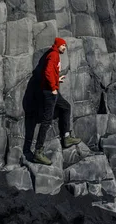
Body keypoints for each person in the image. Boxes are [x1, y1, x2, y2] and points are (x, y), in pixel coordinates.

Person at [34, 37, 81, 165]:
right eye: (63, 45)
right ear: (58, 45)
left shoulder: (54, 55)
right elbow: (48, 72)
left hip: (51, 90)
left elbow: (51, 72)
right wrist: (54, 87)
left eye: (65, 46)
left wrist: (57, 79)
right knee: (46, 120)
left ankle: (66, 137)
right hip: (50, 92)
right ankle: (38, 151)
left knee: (66, 107)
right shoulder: (53, 55)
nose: (64, 48)